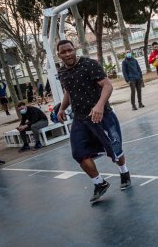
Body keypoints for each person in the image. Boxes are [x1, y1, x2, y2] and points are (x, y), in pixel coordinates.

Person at [56, 40, 131, 203]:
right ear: (59, 55)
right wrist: (62, 108)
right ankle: (99, 183)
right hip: (80, 118)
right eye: (64, 52)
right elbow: (69, 91)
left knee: (115, 150)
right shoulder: (62, 72)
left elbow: (107, 85)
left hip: (101, 115)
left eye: (70, 50)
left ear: (74, 49)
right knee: (79, 153)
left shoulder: (89, 65)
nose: (68, 54)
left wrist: (99, 106)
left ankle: (124, 172)